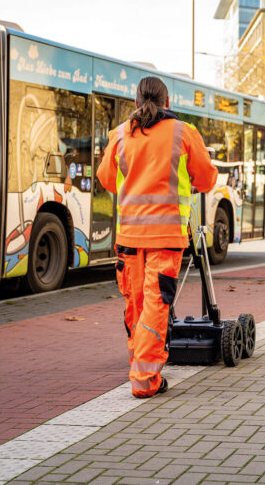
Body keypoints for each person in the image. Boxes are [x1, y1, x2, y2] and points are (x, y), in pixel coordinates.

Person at [96, 76, 217, 398]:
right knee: (155, 304)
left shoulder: (120, 135)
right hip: (165, 237)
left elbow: (107, 180)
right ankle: (144, 379)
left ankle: (140, 365)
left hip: (129, 239)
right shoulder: (183, 132)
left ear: (135, 102)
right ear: (167, 103)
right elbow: (205, 180)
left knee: (135, 306)